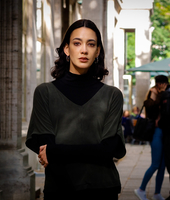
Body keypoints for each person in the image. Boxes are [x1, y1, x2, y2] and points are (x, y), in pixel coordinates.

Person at [26, 19, 126, 200]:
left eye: (91, 44)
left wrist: (56, 150)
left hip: (103, 189)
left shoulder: (113, 95)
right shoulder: (45, 93)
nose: (84, 50)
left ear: (97, 52)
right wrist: (92, 150)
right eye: (77, 43)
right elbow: (45, 146)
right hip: (59, 189)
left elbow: (108, 149)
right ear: (66, 49)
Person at [134, 86, 165, 200]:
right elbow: (150, 105)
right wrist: (153, 93)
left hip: (163, 134)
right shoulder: (150, 103)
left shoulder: (162, 101)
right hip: (156, 134)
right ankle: (141, 189)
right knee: (155, 164)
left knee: (162, 167)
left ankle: (157, 193)